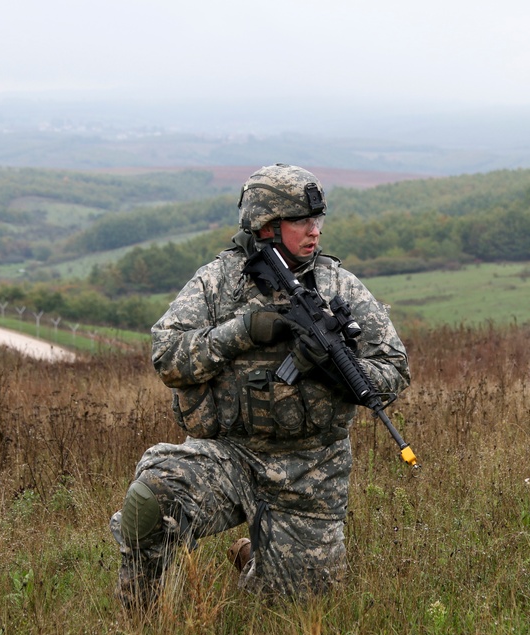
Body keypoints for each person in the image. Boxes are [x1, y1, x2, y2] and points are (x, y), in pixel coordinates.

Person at [110, 163, 411, 608]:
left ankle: (259, 555)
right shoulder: (217, 283)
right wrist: (243, 330)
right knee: (151, 503)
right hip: (230, 453)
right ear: (267, 227)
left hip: (310, 469)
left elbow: (395, 368)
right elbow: (167, 356)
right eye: (302, 221)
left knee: (297, 610)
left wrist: (331, 370)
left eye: (318, 221)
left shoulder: (336, 285)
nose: (315, 232)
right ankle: (141, 627)